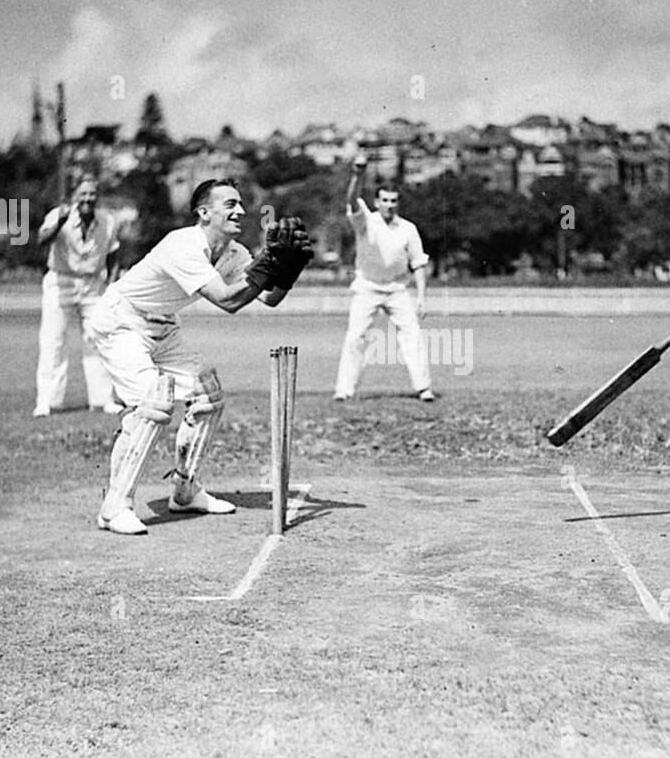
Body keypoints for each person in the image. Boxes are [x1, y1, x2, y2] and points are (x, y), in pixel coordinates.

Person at [87, 177, 313, 535]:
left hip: (163, 326)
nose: (240, 211)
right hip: (122, 321)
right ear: (203, 212)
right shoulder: (183, 245)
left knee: (207, 393)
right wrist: (268, 266)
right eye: (230, 205)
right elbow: (227, 300)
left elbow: (269, 298)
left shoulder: (235, 253)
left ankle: (186, 490)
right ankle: (114, 506)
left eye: (240, 204)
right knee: (153, 404)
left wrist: (289, 268)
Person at [333, 156, 435, 402]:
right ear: (377, 202)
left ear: (398, 203)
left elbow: (418, 263)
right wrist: (358, 174)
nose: (389, 205)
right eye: (385, 201)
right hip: (367, 287)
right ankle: (344, 390)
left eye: (393, 201)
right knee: (356, 336)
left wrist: (421, 298)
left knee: (412, 334)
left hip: (398, 289)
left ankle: (424, 388)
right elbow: (351, 199)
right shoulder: (365, 221)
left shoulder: (408, 228)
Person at [33, 176, 122, 417]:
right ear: (74, 197)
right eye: (83, 194)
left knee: (98, 339)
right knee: (54, 341)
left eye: (92, 194)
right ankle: (47, 401)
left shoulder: (107, 221)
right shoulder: (57, 215)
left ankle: (103, 399)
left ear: (97, 197)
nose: (88, 199)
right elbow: (41, 241)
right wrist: (60, 221)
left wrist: (112, 283)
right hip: (61, 281)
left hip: (93, 284)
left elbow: (113, 253)